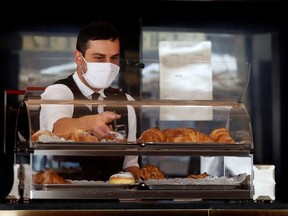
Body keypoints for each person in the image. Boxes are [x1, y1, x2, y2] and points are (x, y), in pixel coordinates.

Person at [39, 21, 140, 181]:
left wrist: (129, 177)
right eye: (99, 58)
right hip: (63, 199)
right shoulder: (59, 91)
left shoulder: (126, 102)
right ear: (78, 58)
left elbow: (130, 163)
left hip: (112, 202)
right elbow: (57, 129)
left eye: (114, 58)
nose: (108, 65)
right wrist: (89, 122)